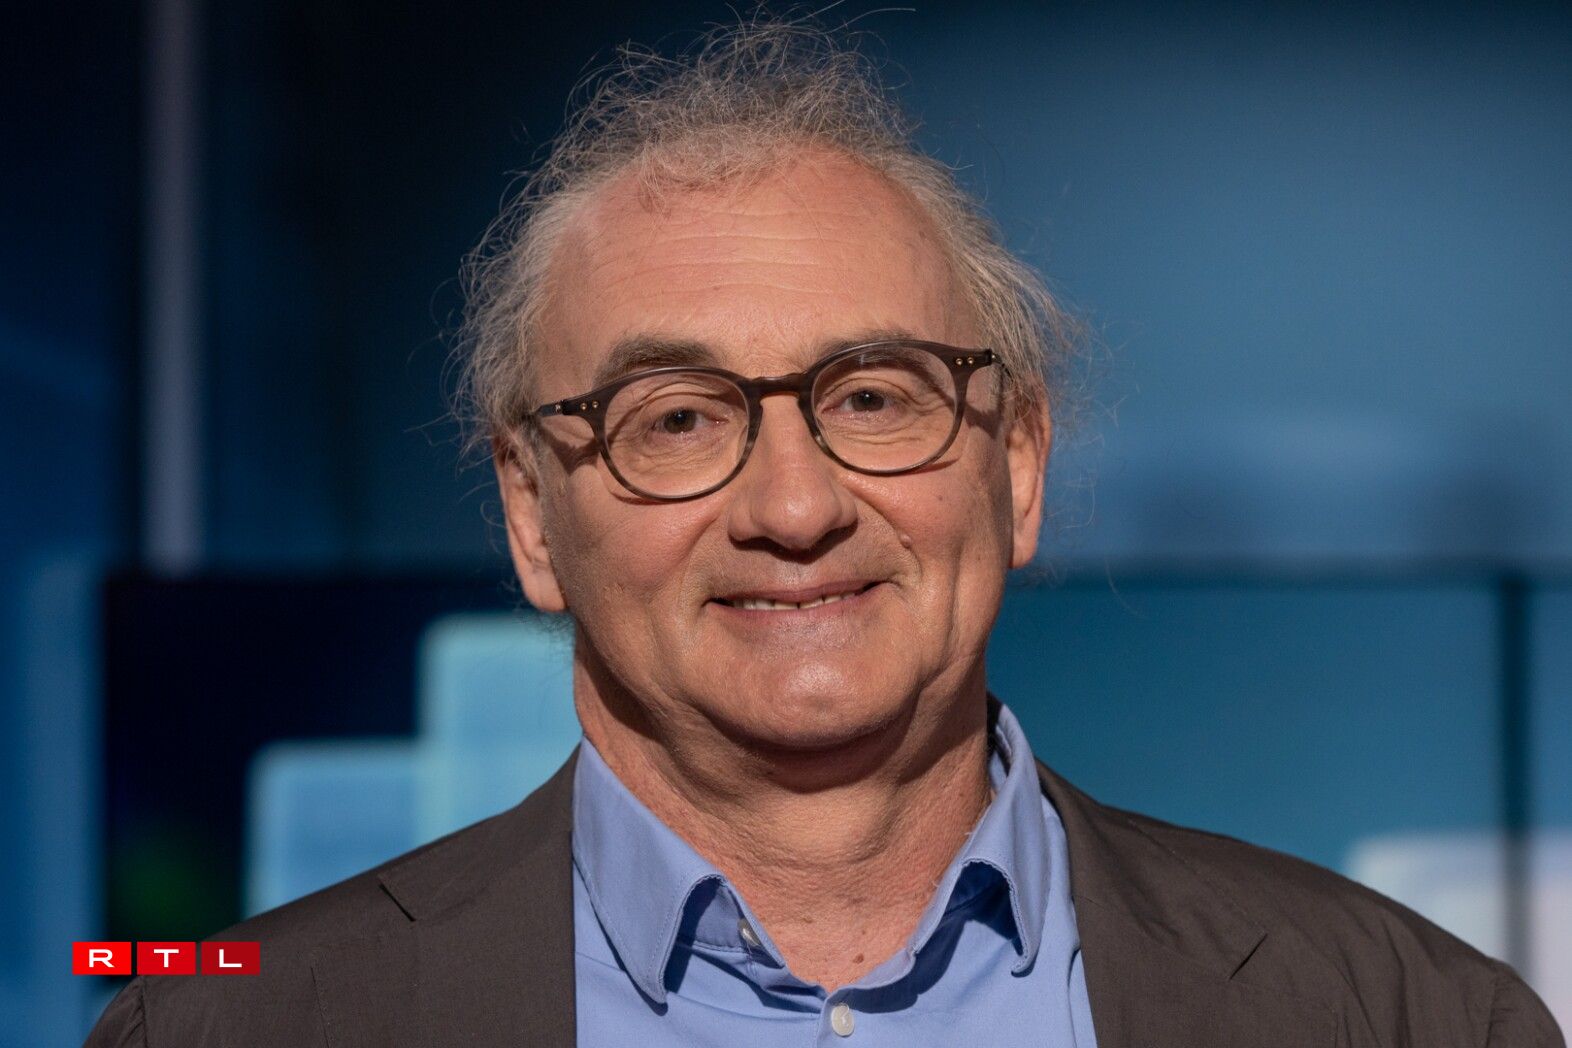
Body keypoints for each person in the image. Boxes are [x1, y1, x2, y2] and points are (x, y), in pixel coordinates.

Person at [87, 17, 1563, 1048]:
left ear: (1019, 466)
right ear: (531, 514)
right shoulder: (225, 1030)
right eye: (676, 418)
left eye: (873, 398)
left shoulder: (1410, 1018)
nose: (795, 508)